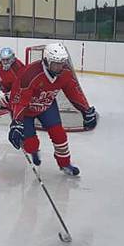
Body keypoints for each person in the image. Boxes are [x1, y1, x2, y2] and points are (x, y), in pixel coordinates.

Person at [8, 42, 97, 176]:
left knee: (59, 135)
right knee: (30, 143)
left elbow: (74, 92)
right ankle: (33, 151)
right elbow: (19, 100)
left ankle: (65, 164)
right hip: (26, 111)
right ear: (46, 61)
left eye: (62, 62)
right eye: (56, 63)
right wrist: (16, 122)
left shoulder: (65, 73)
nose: (60, 67)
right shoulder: (30, 74)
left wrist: (85, 109)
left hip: (47, 106)